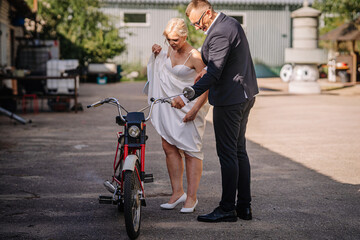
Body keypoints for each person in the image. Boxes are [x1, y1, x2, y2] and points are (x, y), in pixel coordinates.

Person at [172, 0, 259, 222]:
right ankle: (244, 207)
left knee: (228, 154)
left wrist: (186, 95)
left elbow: (215, 74)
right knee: (239, 151)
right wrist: (209, 67)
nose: (196, 28)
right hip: (244, 95)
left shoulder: (220, 31)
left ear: (208, 13)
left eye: (197, 22)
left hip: (230, 100)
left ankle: (228, 208)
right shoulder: (231, 24)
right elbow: (224, 61)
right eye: (193, 25)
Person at [145, 18, 210, 213]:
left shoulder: (195, 56)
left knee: (191, 151)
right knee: (168, 146)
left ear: (185, 36)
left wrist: (195, 110)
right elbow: (160, 71)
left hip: (189, 108)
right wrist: (157, 54)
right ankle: (177, 192)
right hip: (170, 107)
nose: (172, 43)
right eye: (168, 40)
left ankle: (191, 197)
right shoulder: (168, 51)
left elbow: (207, 85)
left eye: (175, 40)